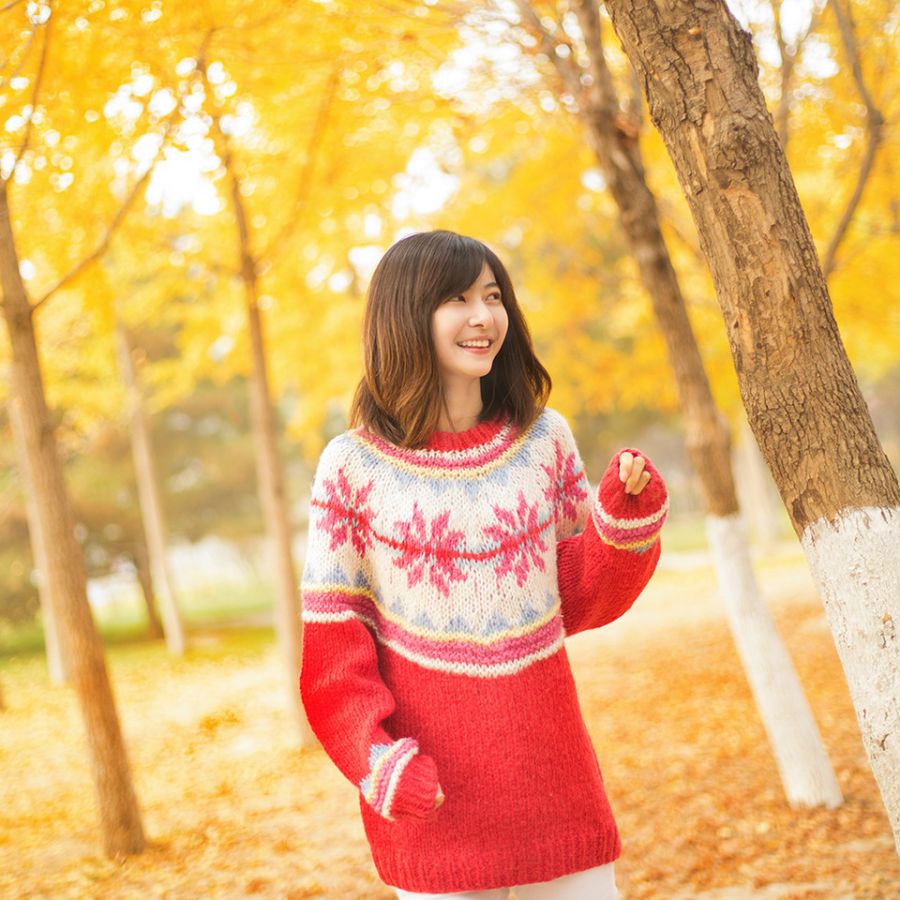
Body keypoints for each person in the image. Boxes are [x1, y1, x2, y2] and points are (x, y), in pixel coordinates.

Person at [299, 230, 668, 899]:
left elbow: (578, 597)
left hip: (551, 782)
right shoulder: (352, 468)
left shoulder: (543, 440)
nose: (483, 317)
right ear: (406, 318)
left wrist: (623, 524)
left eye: (493, 296)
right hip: (430, 799)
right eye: (457, 299)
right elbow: (334, 655)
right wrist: (376, 759)